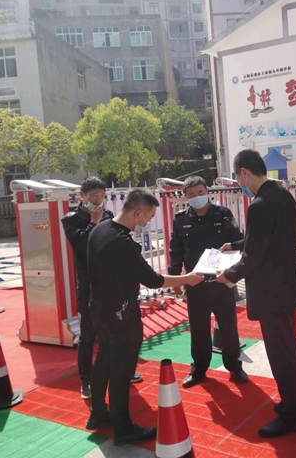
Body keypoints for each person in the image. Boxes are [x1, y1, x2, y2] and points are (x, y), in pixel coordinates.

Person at [86, 189, 204, 445]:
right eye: (149, 217)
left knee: (104, 359)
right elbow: (153, 280)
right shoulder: (122, 242)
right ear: (138, 212)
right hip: (120, 312)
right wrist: (186, 278)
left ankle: (98, 414)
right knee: (122, 369)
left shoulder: (100, 228)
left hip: (98, 307)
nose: (148, 222)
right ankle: (123, 428)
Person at [216, 150, 296, 438]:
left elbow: (253, 256)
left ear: (244, 172)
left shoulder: (259, 205)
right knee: (290, 349)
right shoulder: (283, 196)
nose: (239, 183)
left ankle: (291, 414)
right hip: (287, 287)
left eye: (237, 177)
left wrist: (227, 275)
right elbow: (266, 238)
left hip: (271, 292)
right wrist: (234, 245)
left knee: (281, 354)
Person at [62, 177, 144, 400]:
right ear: (82, 196)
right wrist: (93, 223)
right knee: (88, 333)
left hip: (112, 283)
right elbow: (81, 246)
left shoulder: (108, 215)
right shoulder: (71, 219)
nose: (98, 200)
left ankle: (123, 371)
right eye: (94, 196)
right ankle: (86, 379)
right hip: (88, 285)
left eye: (101, 195)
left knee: (117, 330)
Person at [169, 176, 249, 388]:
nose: (197, 197)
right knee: (198, 328)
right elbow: (176, 250)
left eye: (200, 193)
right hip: (195, 283)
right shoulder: (180, 219)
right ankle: (199, 368)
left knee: (228, 326)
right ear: (186, 197)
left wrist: (232, 255)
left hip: (221, 281)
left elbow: (240, 240)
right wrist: (174, 277)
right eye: (192, 195)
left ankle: (234, 366)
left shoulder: (222, 214)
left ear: (208, 192)